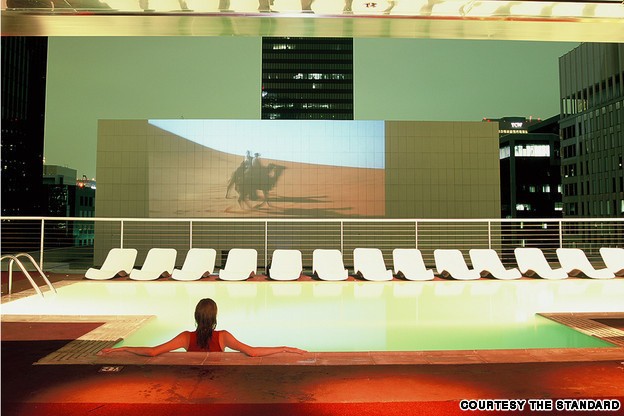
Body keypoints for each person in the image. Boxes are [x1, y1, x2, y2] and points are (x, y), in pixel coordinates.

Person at [99, 298, 306, 357]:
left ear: (196, 316)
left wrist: (124, 348)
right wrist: (284, 348)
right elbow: (252, 352)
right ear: (215, 317)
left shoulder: (185, 337)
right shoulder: (223, 337)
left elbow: (153, 352)